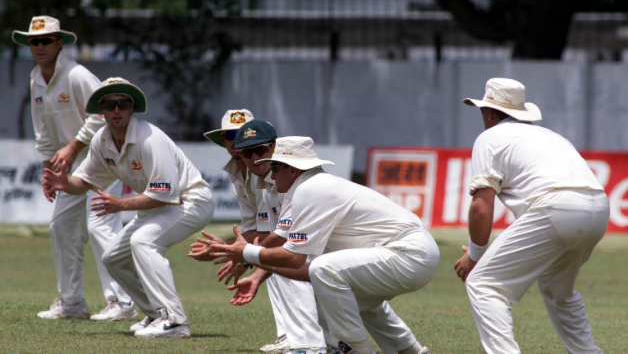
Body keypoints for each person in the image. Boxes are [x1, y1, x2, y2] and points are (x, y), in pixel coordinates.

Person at [210, 136, 438, 354]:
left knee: (325, 271)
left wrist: (246, 253)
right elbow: (307, 269)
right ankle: (409, 349)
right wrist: (258, 273)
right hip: (413, 254)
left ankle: (354, 350)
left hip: (409, 252)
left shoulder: (311, 189)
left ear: (292, 169)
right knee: (349, 295)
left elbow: (295, 259)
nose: (271, 174)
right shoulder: (310, 186)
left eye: (275, 168)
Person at [42, 77, 215, 339]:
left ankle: (175, 320)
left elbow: (164, 195)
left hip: (191, 201)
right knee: (112, 256)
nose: (116, 110)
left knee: (143, 242)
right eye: (109, 104)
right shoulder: (101, 140)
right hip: (160, 206)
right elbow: (85, 182)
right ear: (101, 109)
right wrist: (64, 183)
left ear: (131, 107)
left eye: (122, 103)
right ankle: (155, 315)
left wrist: (120, 204)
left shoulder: (149, 138)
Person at [454, 78, 609, 354]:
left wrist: (475, 256)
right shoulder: (550, 135)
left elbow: (480, 208)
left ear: (489, 113)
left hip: (557, 208)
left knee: (485, 284)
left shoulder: (489, 138)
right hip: (598, 207)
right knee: (557, 290)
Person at [12, 15, 135, 321]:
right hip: (68, 169)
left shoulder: (78, 75)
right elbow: (42, 129)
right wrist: (47, 169)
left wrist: (73, 147)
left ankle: (122, 303)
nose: (39, 47)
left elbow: (101, 114)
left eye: (45, 41)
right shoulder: (36, 78)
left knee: (100, 226)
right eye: (34, 42)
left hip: (101, 162)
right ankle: (72, 303)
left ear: (58, 43)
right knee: (61, 228)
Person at [192, 120, 328, 354]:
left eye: (260, 150)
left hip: (337, 250)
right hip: (315, 249)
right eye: (246, 152)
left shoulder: (294, 179)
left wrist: (240, 255)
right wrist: (244, 255)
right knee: (271, 260)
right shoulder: (261, 180)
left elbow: (282, 241)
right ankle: (293, 336)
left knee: (278, 259)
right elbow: (265, 234)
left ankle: (307, 343)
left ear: (274, 147)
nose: (254, 157)